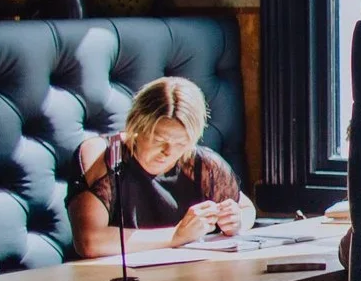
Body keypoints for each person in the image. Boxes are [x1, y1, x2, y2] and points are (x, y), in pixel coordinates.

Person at [69, 76, 256, 259]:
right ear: (136, 124)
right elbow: (90, 241)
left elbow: (246, 208)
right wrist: (176, 235)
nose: (169, 152)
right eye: (159, 140)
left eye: (181, 143)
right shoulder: (106, 154)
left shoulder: (202, 164)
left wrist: (237, 220)